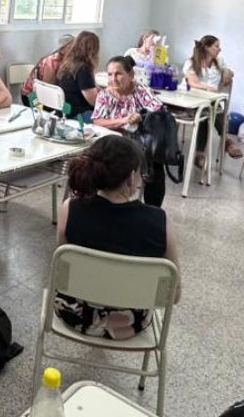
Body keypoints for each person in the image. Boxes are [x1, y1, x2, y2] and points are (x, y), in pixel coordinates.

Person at [54, 135, 181, 340]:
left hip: (76, 315)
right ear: (132, 177)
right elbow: (173, 295)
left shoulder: (69, 209)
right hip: (130, 322)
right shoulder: (160, 221)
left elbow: (62, 274)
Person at [91, 56, 168, 207]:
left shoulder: (140, 91)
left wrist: (142, 116)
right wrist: (123, 120)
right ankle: (95, 205)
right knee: (95, 159)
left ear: (131, 75)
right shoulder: (104, 95)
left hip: (139, 141)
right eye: (110, 74)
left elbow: (158, 110)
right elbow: (97, 120)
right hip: (113, 141)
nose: (113, 79)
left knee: (155, 163)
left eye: (118, 74)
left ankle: (153, 209)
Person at [183, 35, 242, 159]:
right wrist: (209, 89)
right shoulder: (191, 62)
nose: (220, 49)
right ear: (207, 48)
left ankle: (200, 154)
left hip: (211, 102)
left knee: (209, 110)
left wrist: (227, 72)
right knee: (208, 111)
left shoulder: (219, 62)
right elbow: (193, 82)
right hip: (193, 101)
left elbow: (231, 72)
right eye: (216, 46)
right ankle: (227, 141)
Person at [55, 31, 100, 119]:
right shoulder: (83, 68)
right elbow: (94, 102)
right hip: (77, 114)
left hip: (64, 111)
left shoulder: (68, 63)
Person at [21, 34, 74, 100]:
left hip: (45, 94)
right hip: (31, 95)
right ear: (62, 49)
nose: (74, 51)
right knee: (59, 106)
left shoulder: (69, 60)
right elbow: (47, 88)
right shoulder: (52, 61)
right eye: (70, 48)